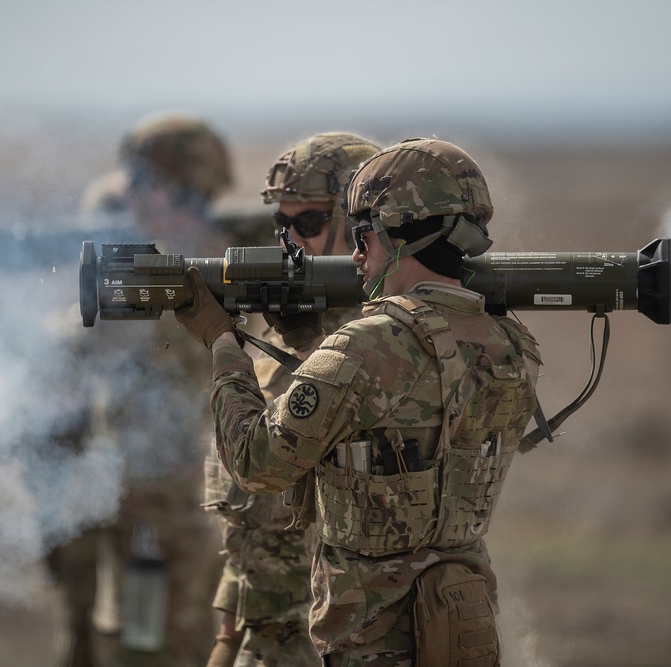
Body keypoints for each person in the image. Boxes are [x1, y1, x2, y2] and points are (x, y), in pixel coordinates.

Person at [176, 138, 543, 666]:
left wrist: (221, 343)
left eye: (363, 235)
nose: (354, 253)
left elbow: (257, 463)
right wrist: (309, 348)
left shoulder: (365, 346)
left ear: (395, 235)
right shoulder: (511, 342)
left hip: (369, 638)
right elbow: (396, 420)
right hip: (452, 627)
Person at [49, 113, 233, 667]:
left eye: (146, 183)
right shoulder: (125, 239)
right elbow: (85, 341)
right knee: (99, 638)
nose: (132, 194)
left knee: (165, 643)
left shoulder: (222, 266)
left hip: (174, 502)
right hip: (106, 485)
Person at [202, 132, 381, 667]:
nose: (290, 241)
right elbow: (248, 530)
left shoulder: (379, 351)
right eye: (282, 224)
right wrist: (226, 644)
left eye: (309, 223)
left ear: (359, 227)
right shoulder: (272, 345)